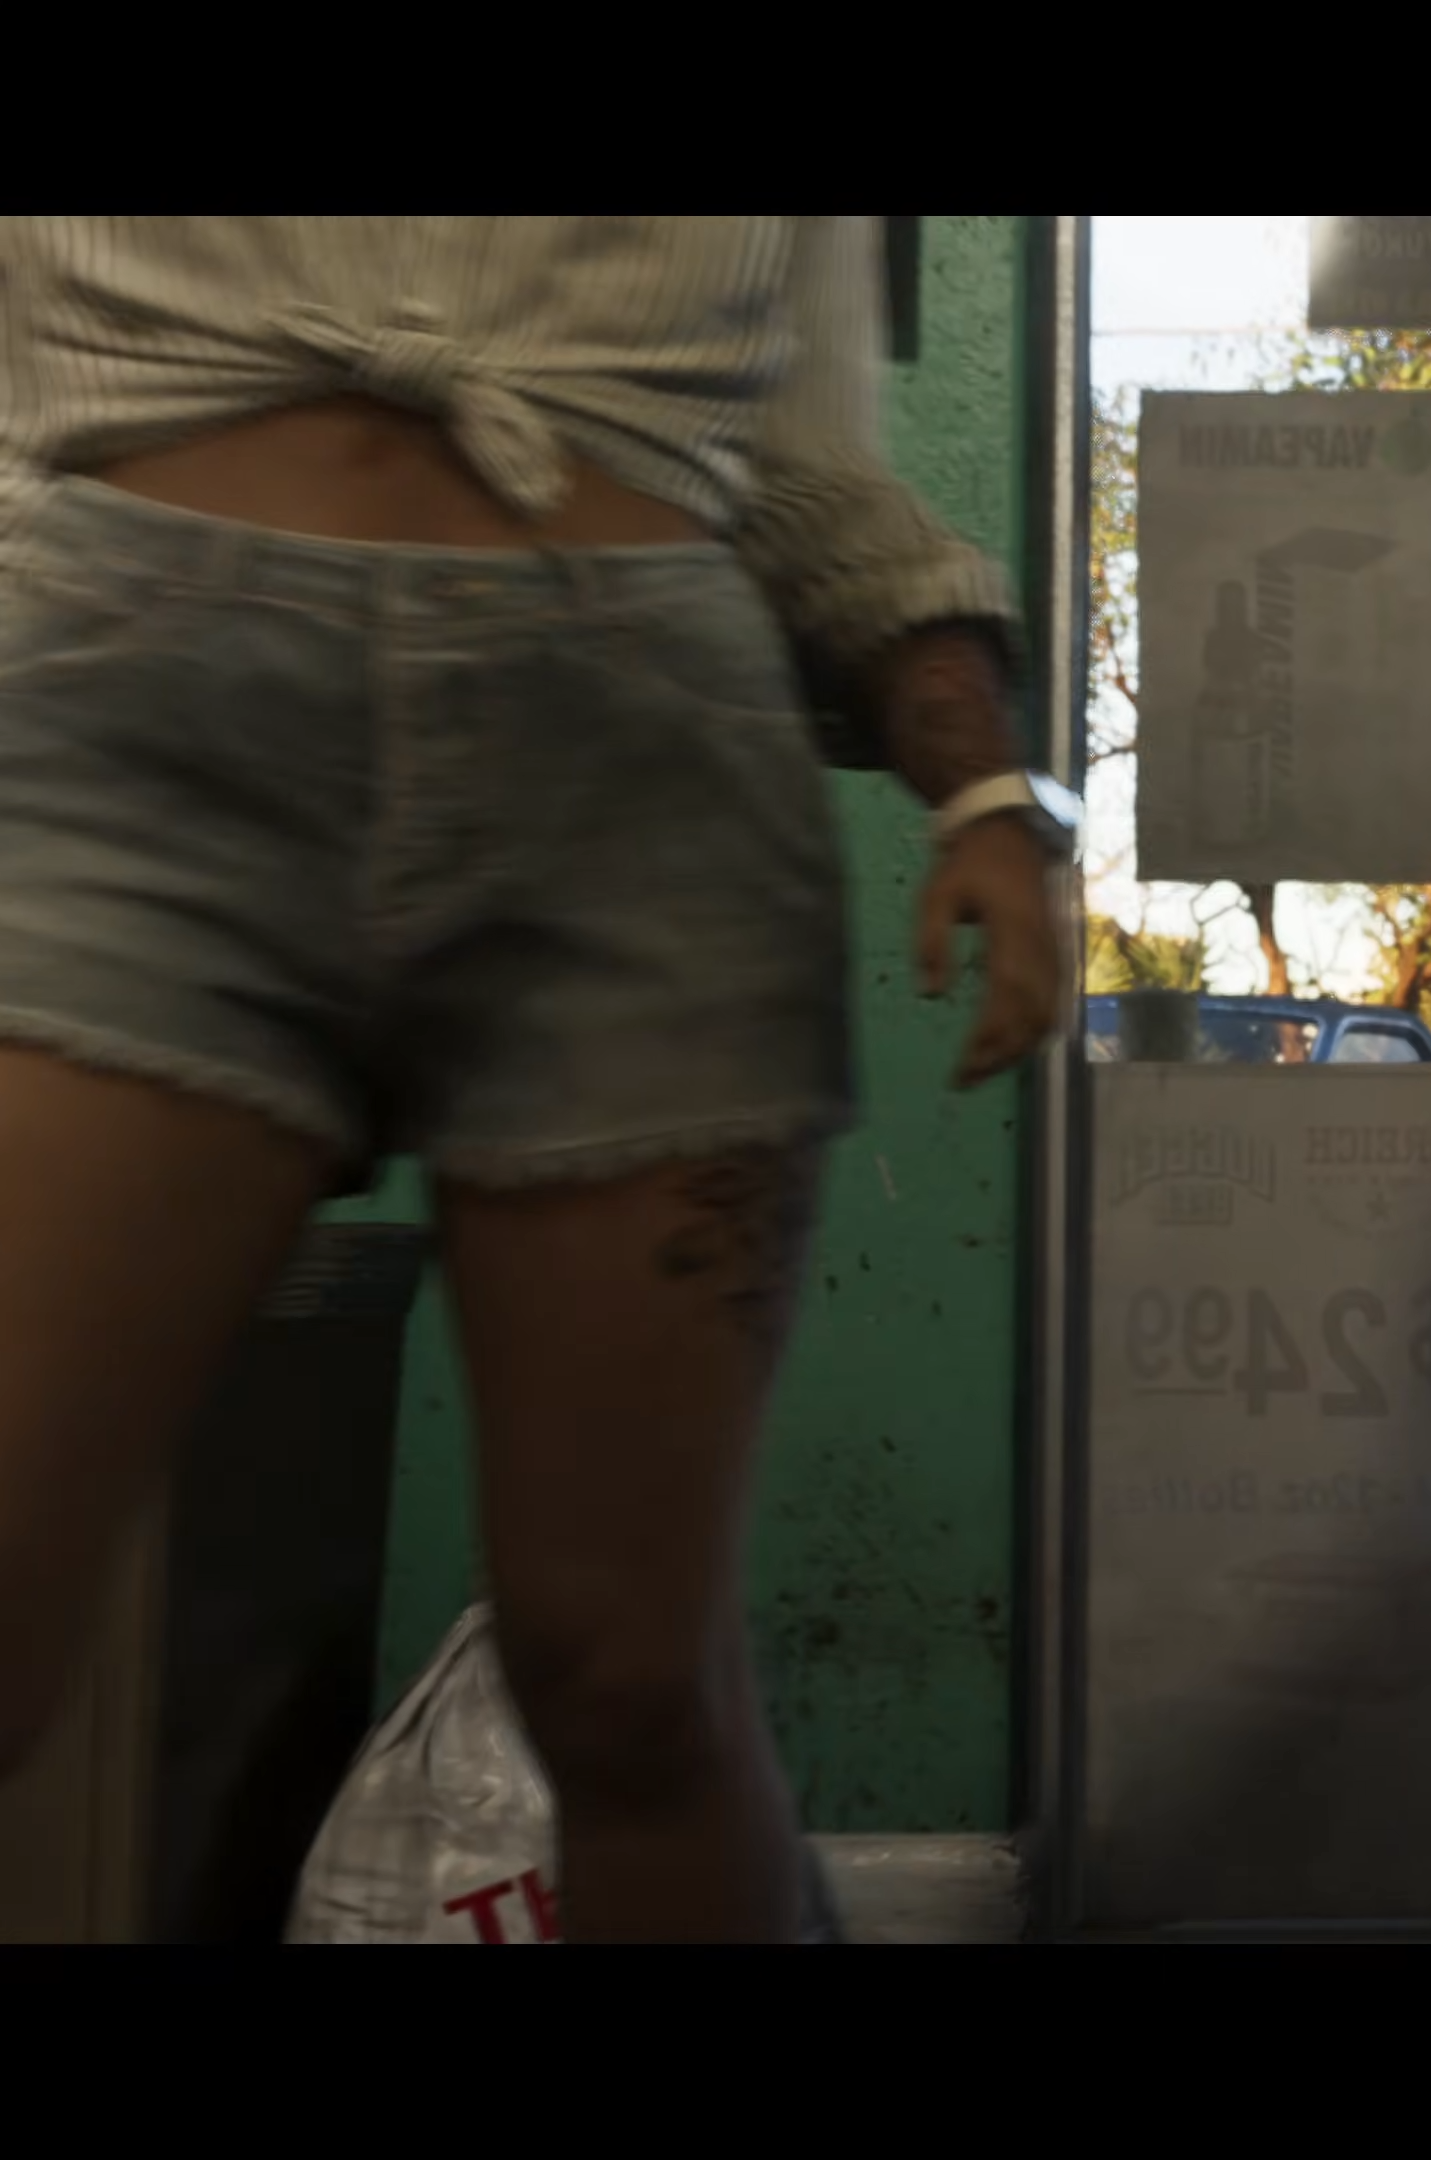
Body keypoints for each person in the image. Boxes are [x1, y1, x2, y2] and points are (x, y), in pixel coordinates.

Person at [0, 219, 1076, 1941]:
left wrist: (989, 798)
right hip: (132, 704)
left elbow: (805, 454)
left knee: (628, 1681)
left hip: (639, 744)